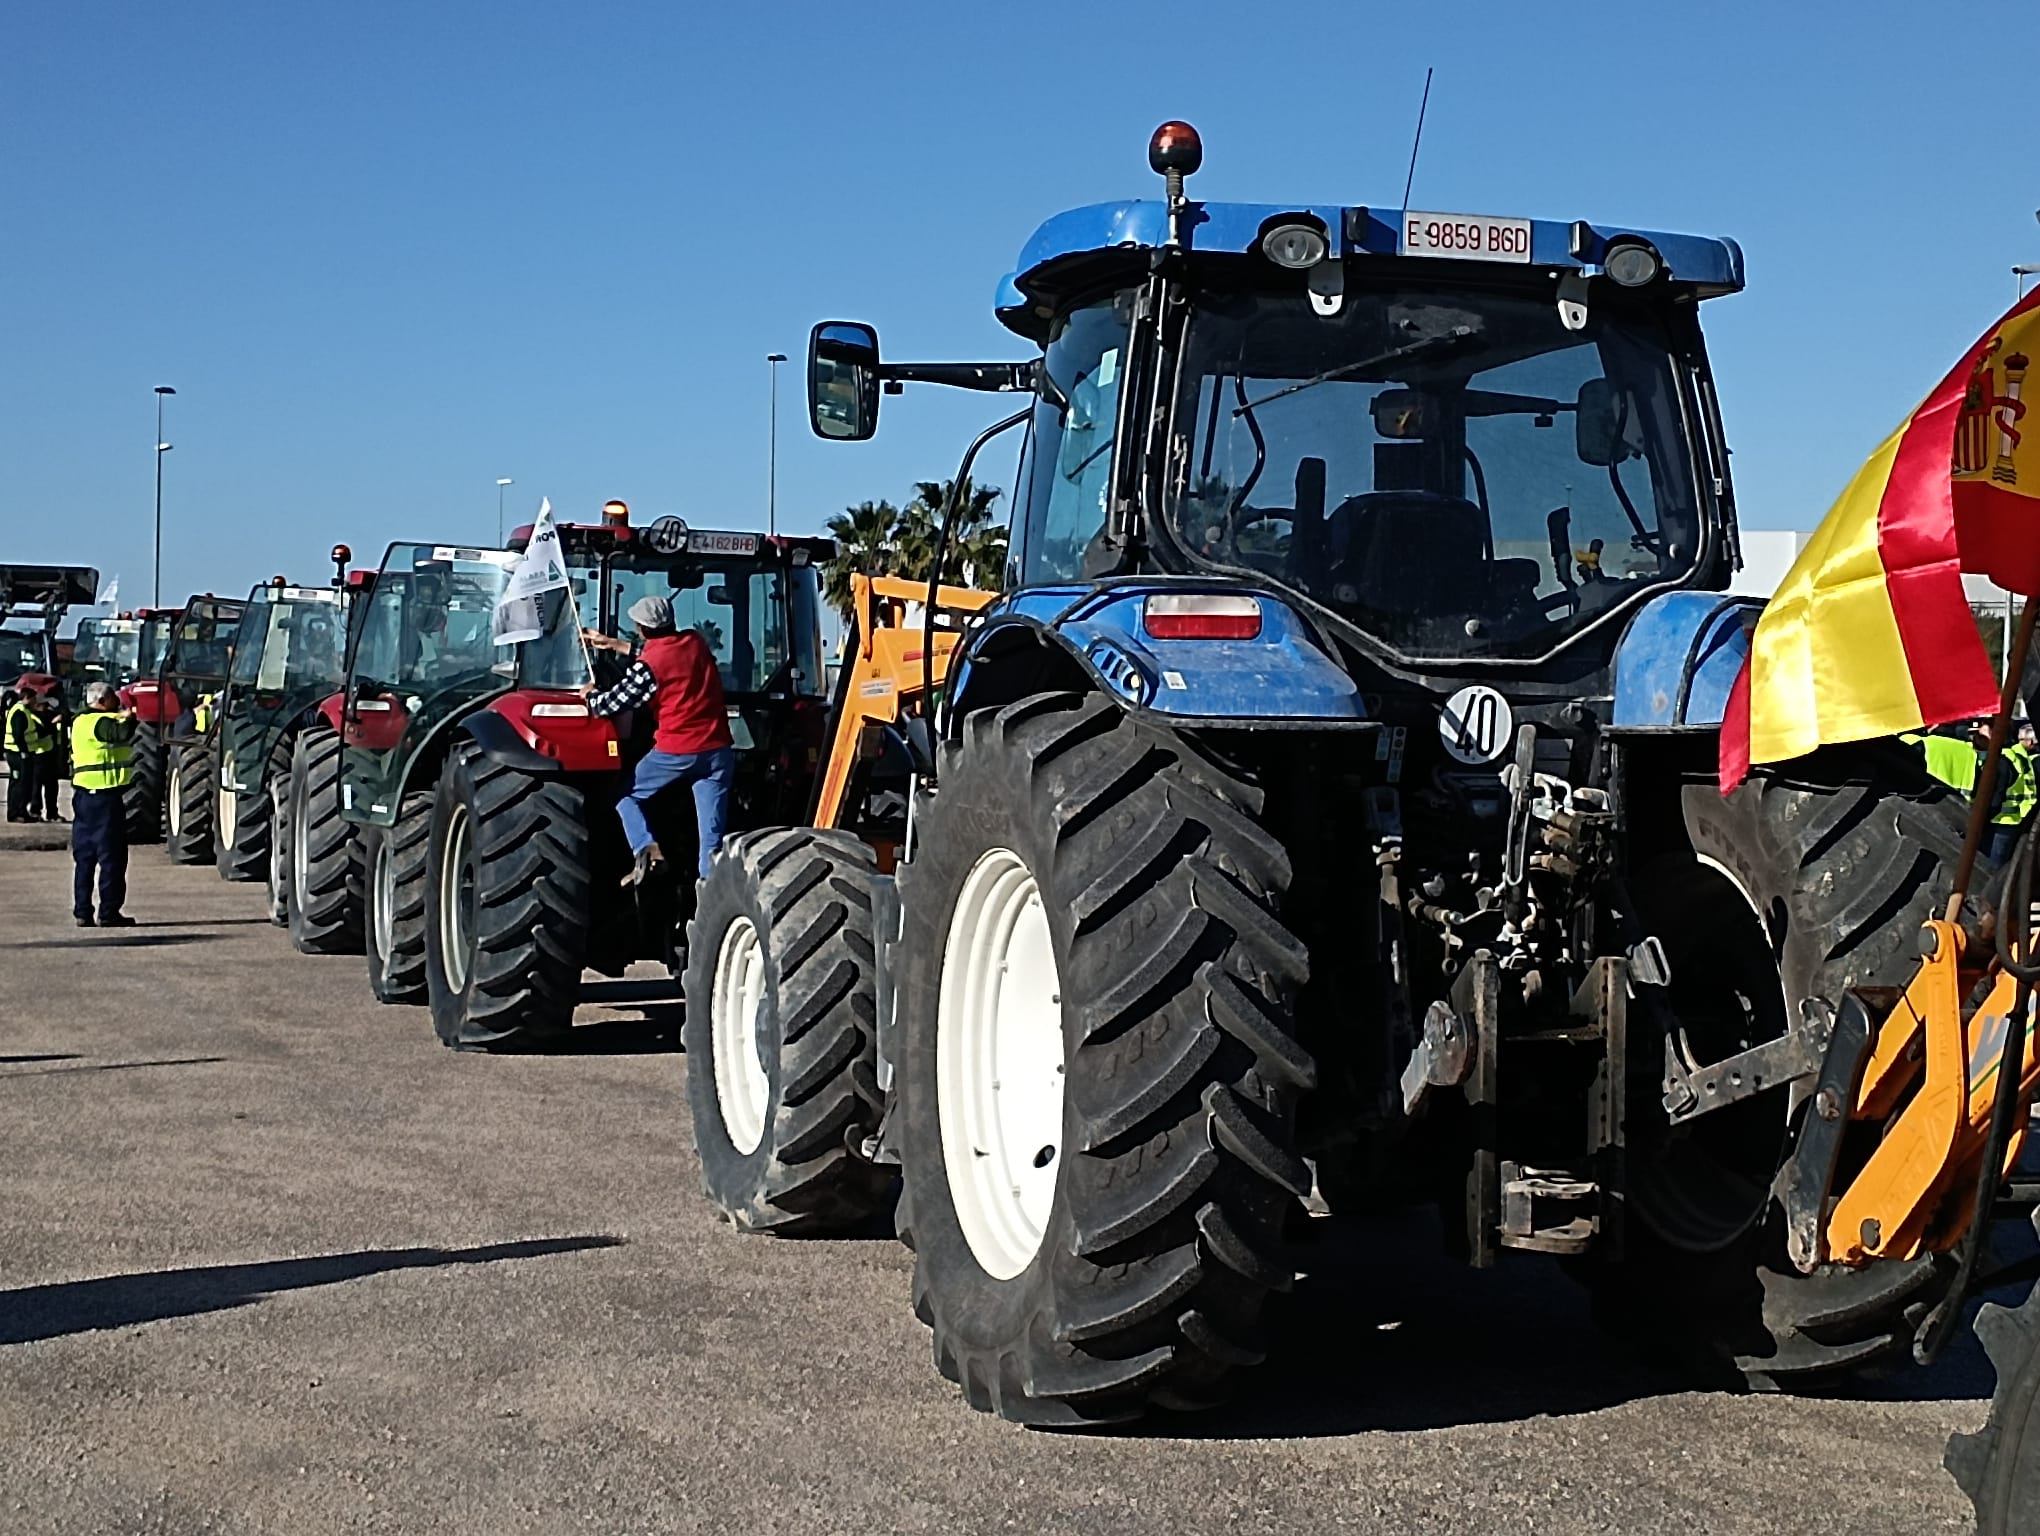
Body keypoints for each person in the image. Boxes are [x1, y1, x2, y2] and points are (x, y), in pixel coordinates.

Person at [582, 595, 733, 885]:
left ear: (641, 628)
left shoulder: (648, 667)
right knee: (711, 843)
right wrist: (612, 644)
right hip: (718, 751)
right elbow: (664, 652)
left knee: (625, 796)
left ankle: (646, 849)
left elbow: (611, 704)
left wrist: (589, 695)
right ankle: (708, 905)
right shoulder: (695, 642)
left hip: (676, 752)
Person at [69, 681, 137, 927]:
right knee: (112, 858)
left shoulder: (79, 722)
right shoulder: (101, 722)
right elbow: (119, 734)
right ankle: (109, 912)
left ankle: (82, 911)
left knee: (84, 858)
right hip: (106, 799)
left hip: (83, 797)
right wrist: (130, 718)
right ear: (103, 701)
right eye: (113, 701)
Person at [6, 686, 60, 822]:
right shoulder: (20, 712)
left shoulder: (24, 711)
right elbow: (18, 734)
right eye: (34, 698)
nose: (35, 701)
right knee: (19, 784)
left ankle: (20, 811)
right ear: (26, 698)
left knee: (22, 784)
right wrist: (24, 751)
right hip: (18, 753)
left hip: (23, 752)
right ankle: (17, 812)